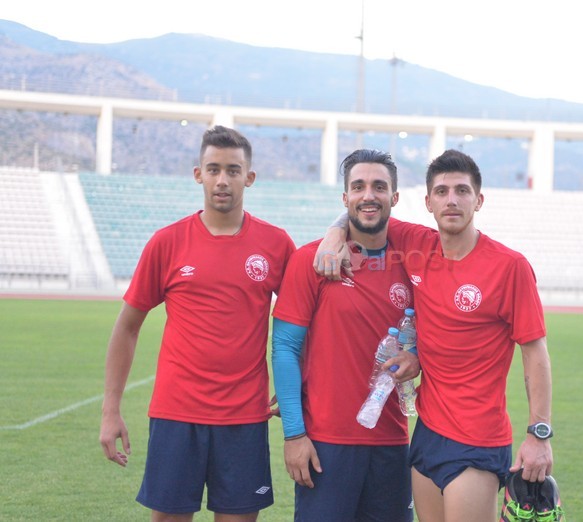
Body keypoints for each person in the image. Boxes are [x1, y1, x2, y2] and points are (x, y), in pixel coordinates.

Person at [315, 149, 554, 522]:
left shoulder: (509, 267)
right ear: (428, 202)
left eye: (462, 191)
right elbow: (367, 210)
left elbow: (535, 354)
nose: (452, 200)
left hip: (477, 438)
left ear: (479, 200)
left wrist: (539, 435)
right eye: (442, 191)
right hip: (427, 432)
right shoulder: (417, 244)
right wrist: (334, 233)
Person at [99, 125, 295, 521]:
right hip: (176, 413)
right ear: (198, 174)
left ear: (249, 177)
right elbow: (127, 327)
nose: (222, 180)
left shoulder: (276, 244)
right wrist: (110, 410)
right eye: (213, 169)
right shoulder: (167, 242)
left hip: (244, 416)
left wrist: (297, 386)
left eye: (233, 170)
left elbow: (301, 322)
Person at [271, 149, 419, 522]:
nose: (368, 195)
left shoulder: (414, 263)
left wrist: (417, 358)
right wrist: (294, 435)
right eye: (358, 186)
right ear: (344, 197)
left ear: (394, 197)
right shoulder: (312, 260)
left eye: (379, 187)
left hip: (392, 441)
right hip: (326, 444)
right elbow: (285, 348)